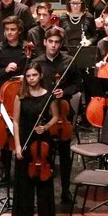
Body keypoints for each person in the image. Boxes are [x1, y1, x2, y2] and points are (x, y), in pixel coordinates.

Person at [32, 27, 81, 204]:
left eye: (57, 42)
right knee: (43, 154)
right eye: (50, 42)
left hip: (62, 114)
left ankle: (66, 190)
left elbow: (78, 84)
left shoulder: (69, 61)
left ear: (61, 44)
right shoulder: (37, 62)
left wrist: (65, 91)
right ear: (45, 42)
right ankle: (44, 193)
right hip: (43, 114)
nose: (53, 45)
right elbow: (30, 84)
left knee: (65, 154)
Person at [10, 61, 59, 216]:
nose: (31, 78)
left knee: (44, 177)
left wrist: (45, 126)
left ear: (41, 76)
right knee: (23, 177)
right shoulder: (21, 96)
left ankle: (47, 214)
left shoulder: (48, 96)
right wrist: (17, 146)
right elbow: (15, 122)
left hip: (42, 140)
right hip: (25, 138)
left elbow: (55, 117)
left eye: (34, 75)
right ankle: (22, 214)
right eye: (28, 76)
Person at [0, 16, 30, 187]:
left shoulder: (27, 48)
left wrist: (26, 74)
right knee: (5, 134)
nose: (10, 33)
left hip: (24, 94)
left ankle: (25, 170)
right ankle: (5, 172)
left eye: (13, 30)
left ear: (19, 31)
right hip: (4, 95)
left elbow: (35, 70)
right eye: (7, 30)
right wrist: (4, 70)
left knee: (26, 130)